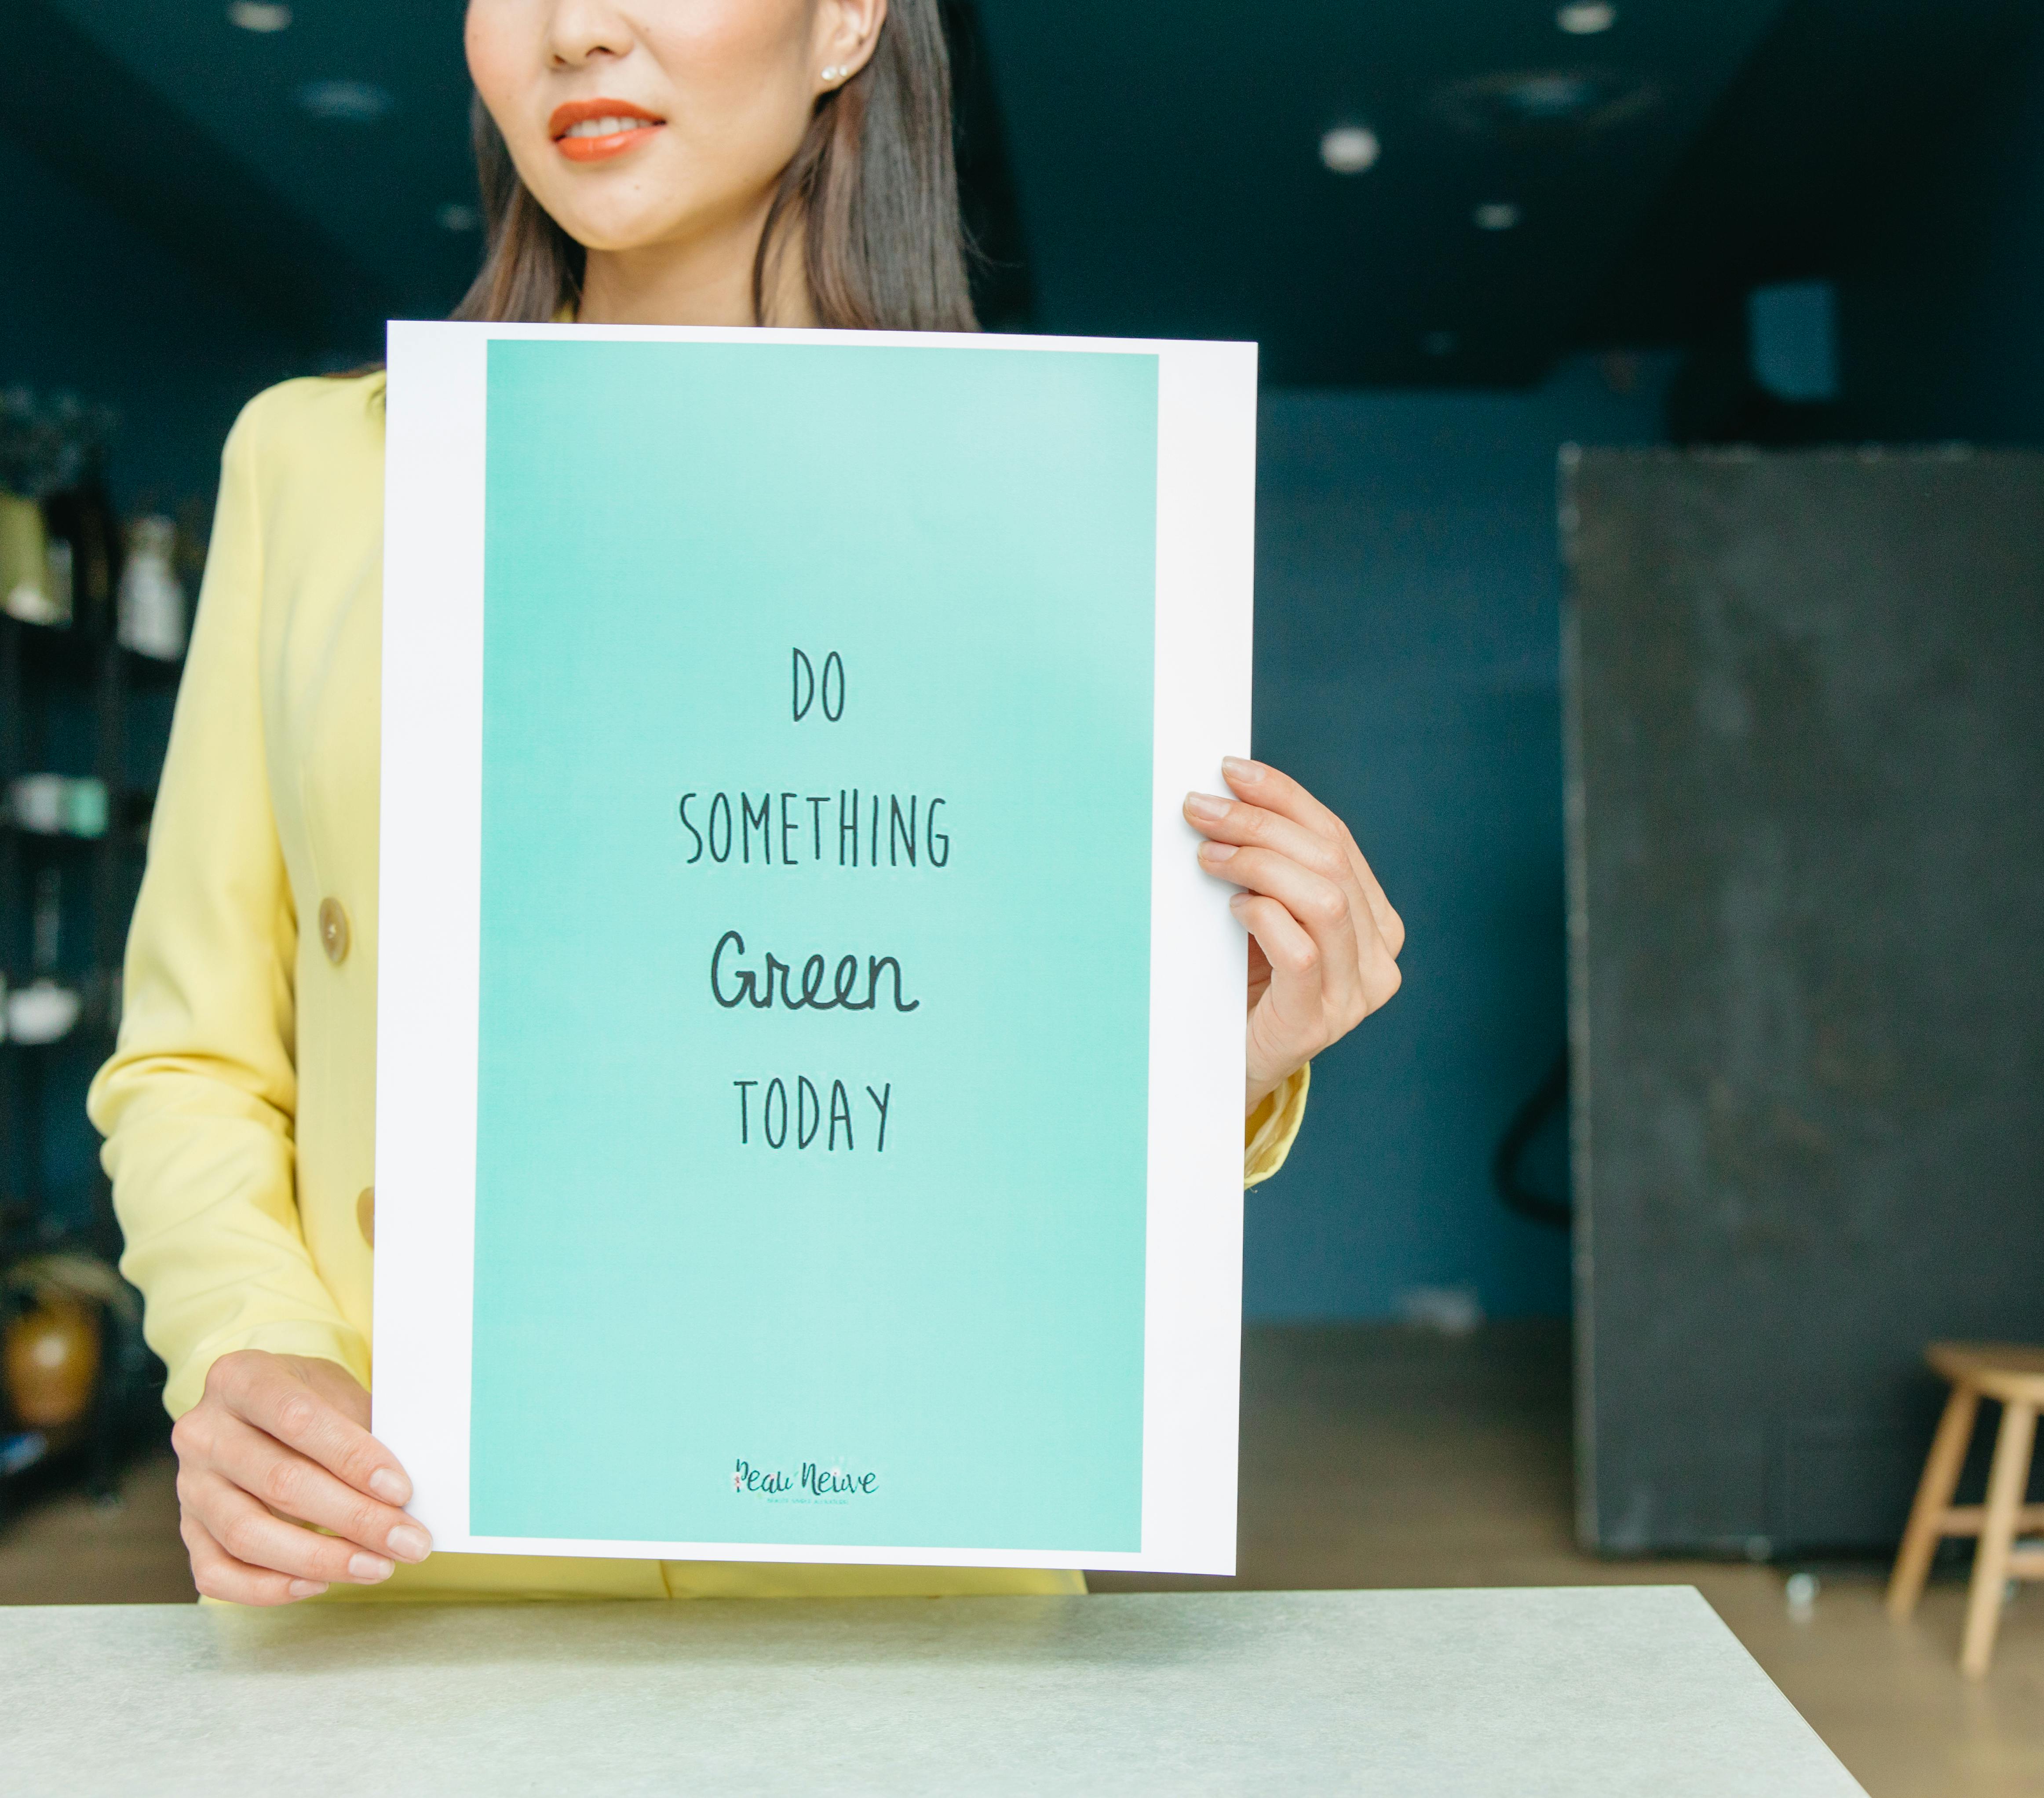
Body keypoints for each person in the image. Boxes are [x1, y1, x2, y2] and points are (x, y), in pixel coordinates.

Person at [88, 0, 1403, 1607]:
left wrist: (1223, 1055)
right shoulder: (316, 468)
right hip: (407, 1555)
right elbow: (192, 1052)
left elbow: (944, 1094)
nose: (578, 32)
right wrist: (247, 1352)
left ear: (849, 19)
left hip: (908, 1577)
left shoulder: (1059, 501)